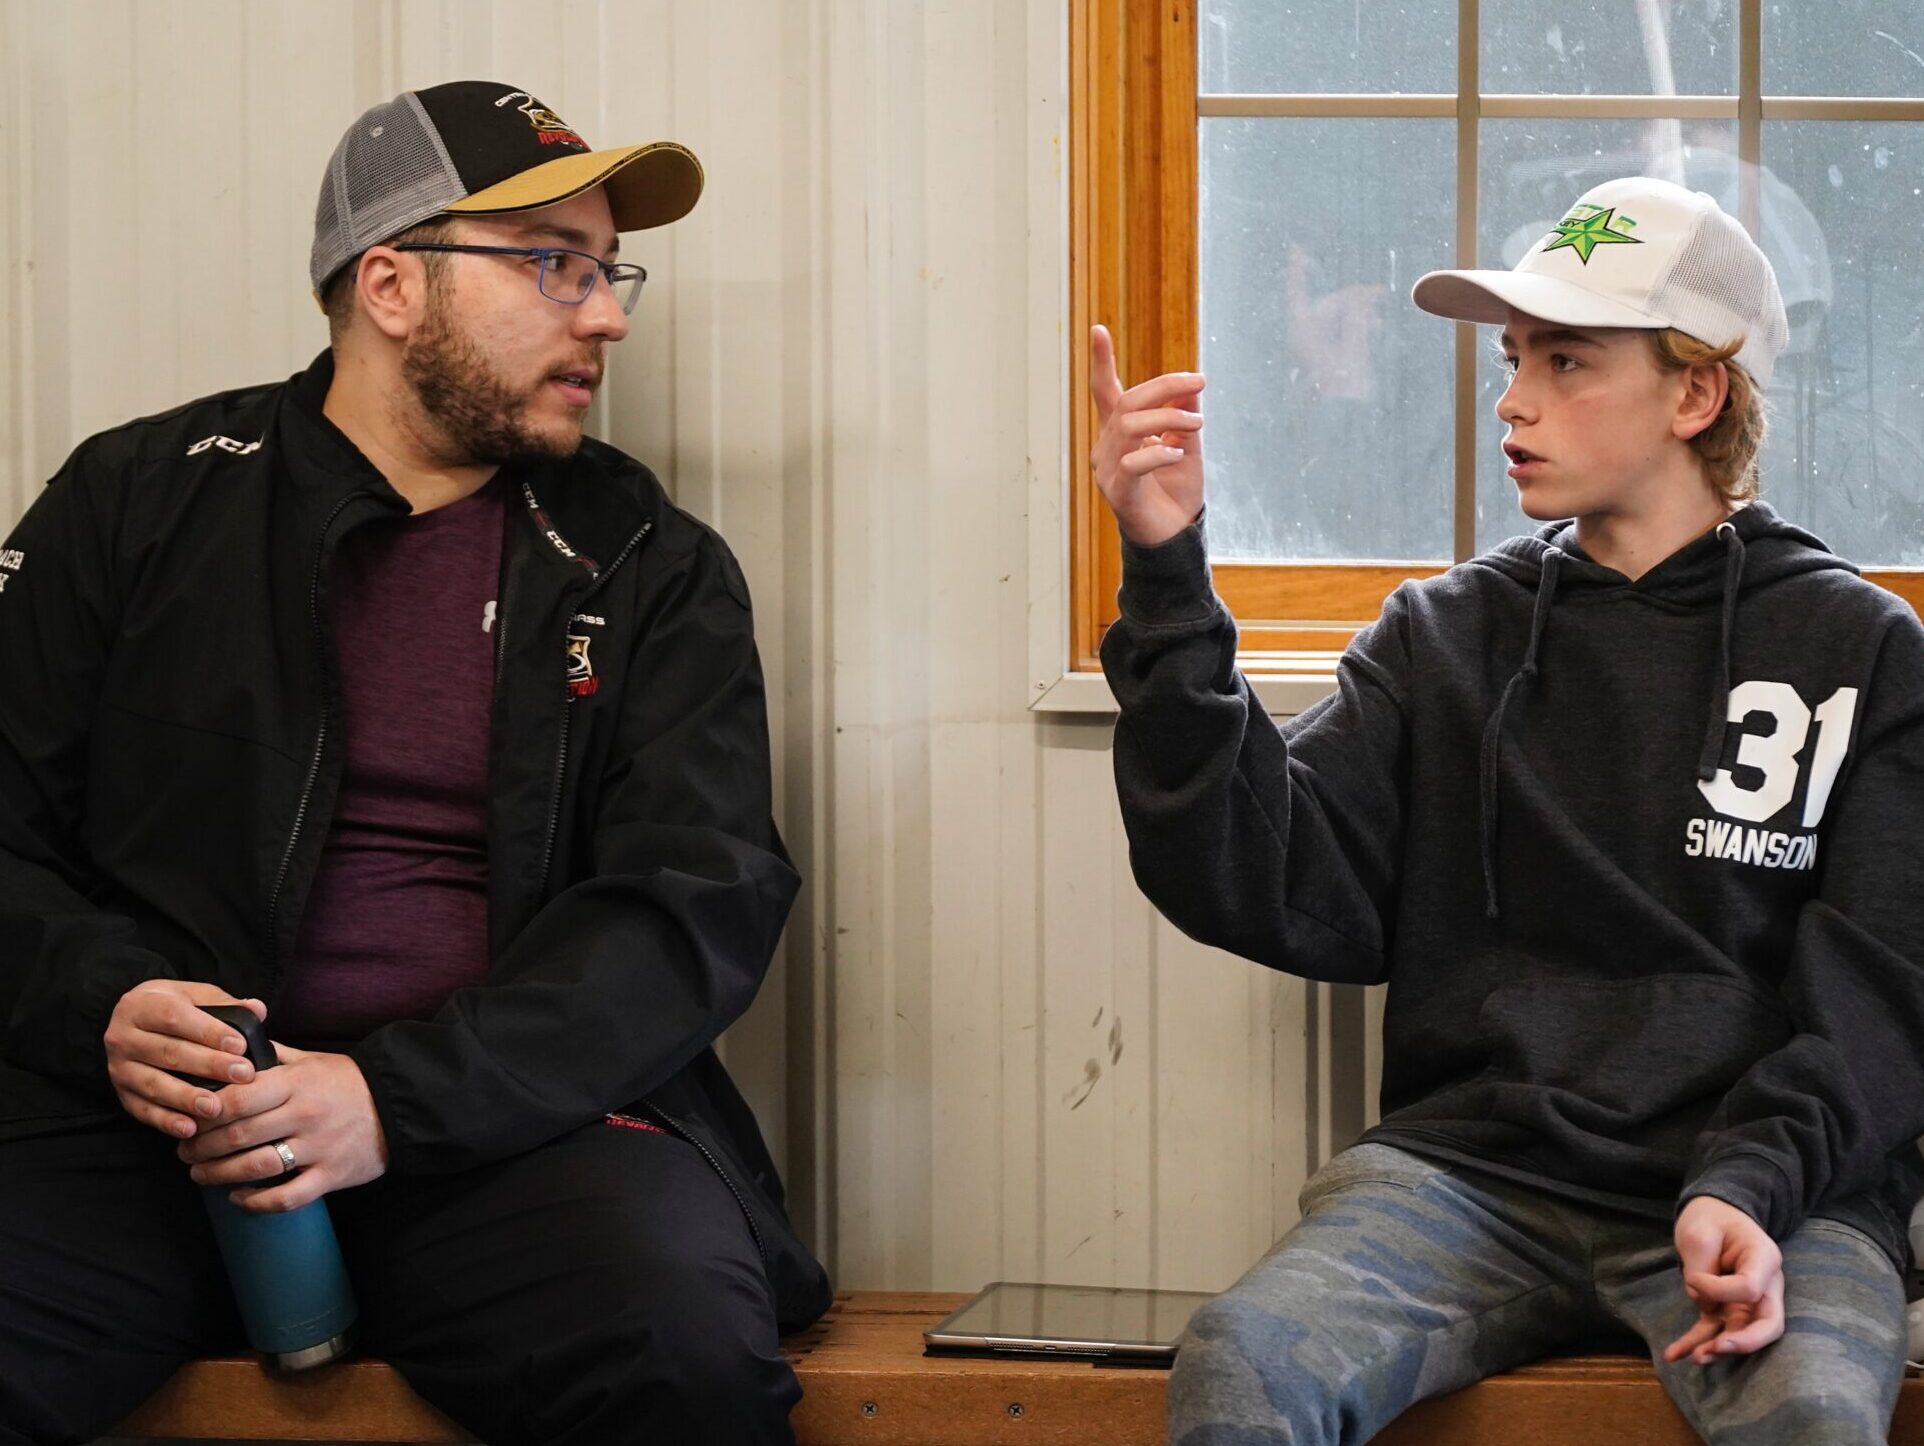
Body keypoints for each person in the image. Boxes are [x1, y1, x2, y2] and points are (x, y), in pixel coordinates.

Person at [0, 80, 829, 1445]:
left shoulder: (649, 563)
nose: (609, 313)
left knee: (682, 1354)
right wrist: (106, 1000)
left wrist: (386, 1097)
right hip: (137, 1137)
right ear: (391, 284)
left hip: (505, 1136)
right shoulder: (138, 503)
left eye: (607, 268)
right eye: (554, 263)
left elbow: (694, 905)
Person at [1091, 176, 1923, 1443]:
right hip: (1472, 1181)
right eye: (1514, 356)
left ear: (1695, 394)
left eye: (1568, 361)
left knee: (1808, 1415)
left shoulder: (1861, 648)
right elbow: (1262, 877)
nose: (1512, 399)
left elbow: (1881, 999)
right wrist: (1167, 575)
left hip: (1767, 1193)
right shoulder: (1443, 636)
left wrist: (1749, 1188)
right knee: (1242, 1364)